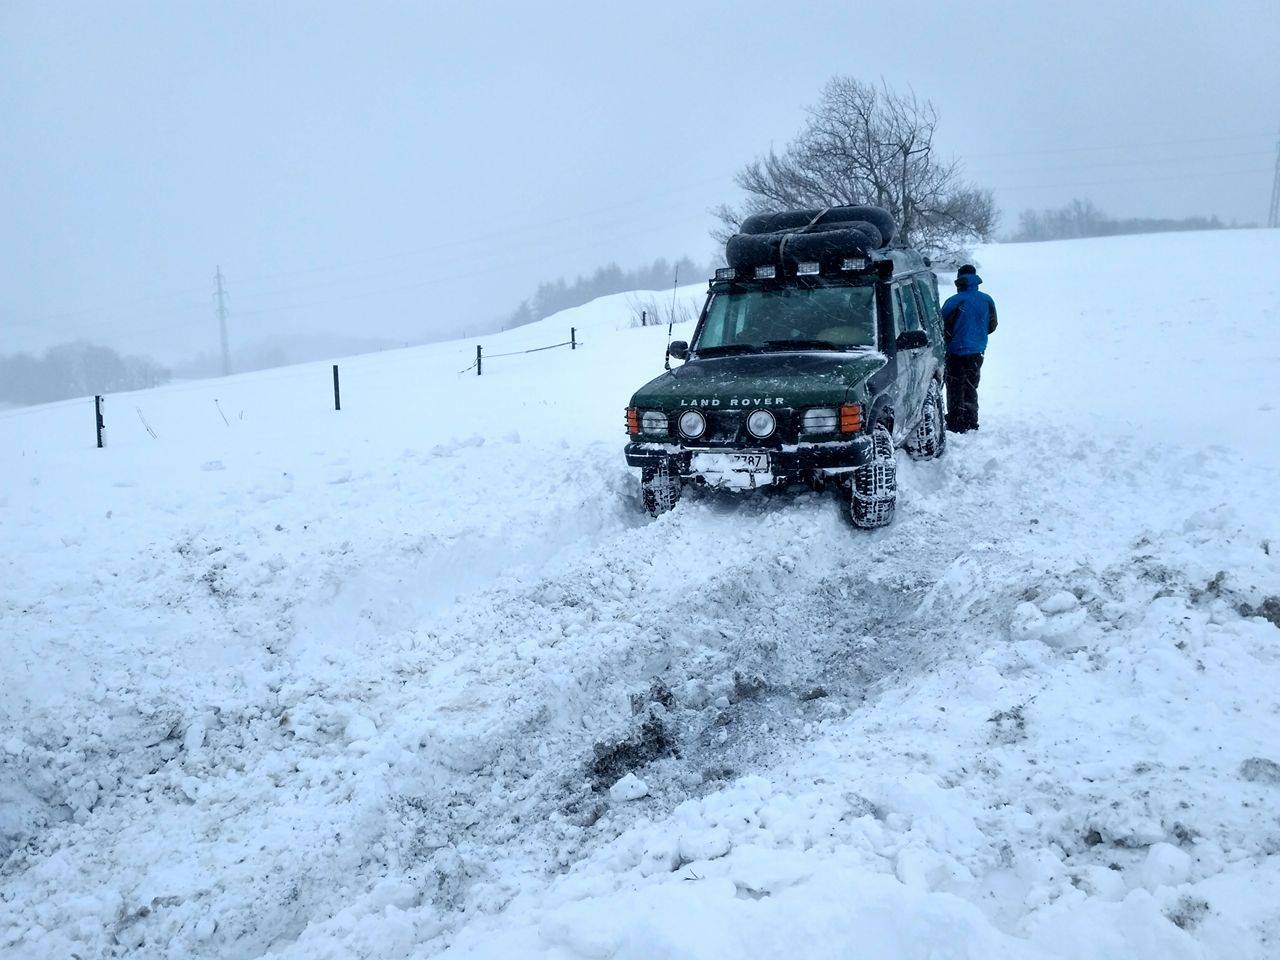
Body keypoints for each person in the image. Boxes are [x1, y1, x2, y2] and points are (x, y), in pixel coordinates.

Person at [939, 264, 997, 433]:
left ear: (959, 279)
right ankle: (971, 420)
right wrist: (977, 335)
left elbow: (941, 326)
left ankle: (956, 422)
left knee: (955, 386)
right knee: (971, 385)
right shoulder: (987, 300)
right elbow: (992, 325)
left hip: (955, 351)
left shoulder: (954, 301)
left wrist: (952, 338)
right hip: (977, 350)